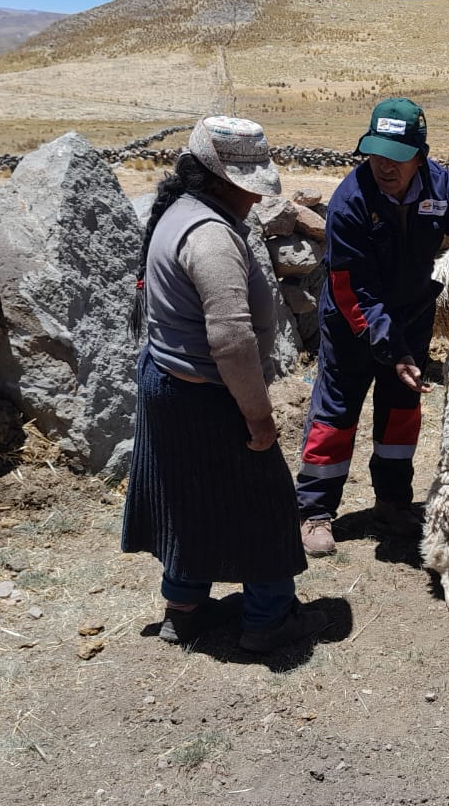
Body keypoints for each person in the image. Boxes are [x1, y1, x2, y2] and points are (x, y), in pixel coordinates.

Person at [122, 115, 327, 653]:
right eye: (246, 183)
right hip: (211, 394)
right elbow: (232, 339)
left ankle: (183, 609)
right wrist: (258, 416)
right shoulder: (211, 236)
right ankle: (268, 618)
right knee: (262, 505)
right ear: (216, 177)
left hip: (169, 383)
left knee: (188, 499)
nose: (256, 197)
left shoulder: (179, 213)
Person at [296, 98, 449, 556]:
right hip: (353, 325)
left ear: (419, 154)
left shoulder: (442, 188)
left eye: (396, 156)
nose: (384, 166)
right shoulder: (351, 201)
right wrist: (390, 346)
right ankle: (315, 511)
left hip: (413, 315)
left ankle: (393, 504)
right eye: (376, 154)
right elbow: (350, 286)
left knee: (402, 412)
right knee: (336, 414)